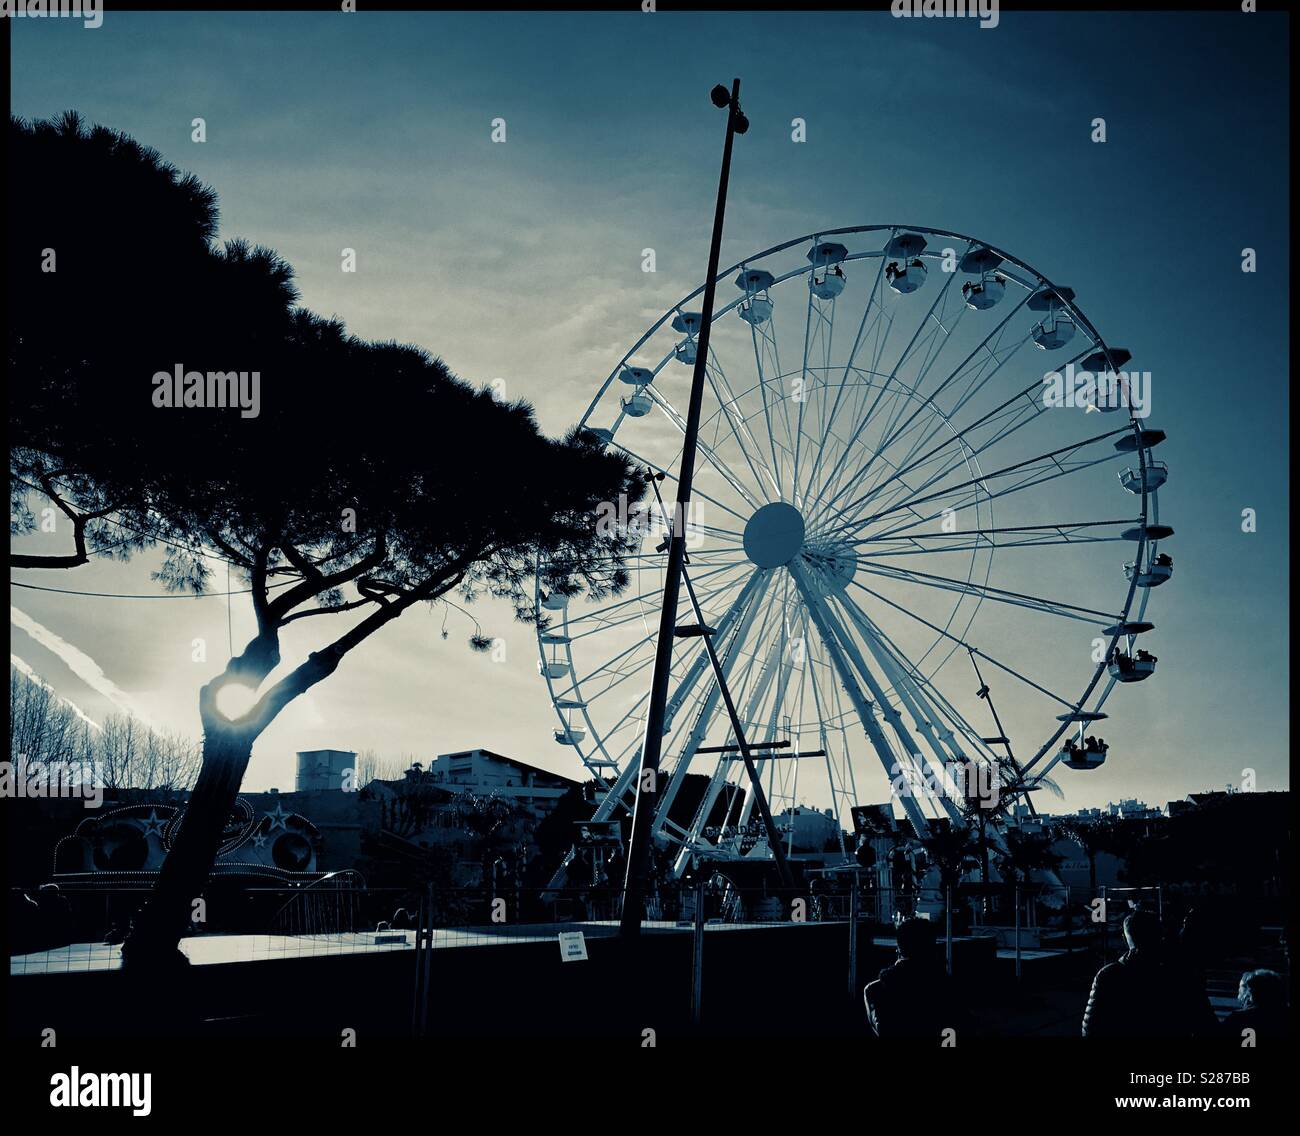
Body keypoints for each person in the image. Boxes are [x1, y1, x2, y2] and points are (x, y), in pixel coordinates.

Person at [1082, 911, 1217, 1038]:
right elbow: (1207, 1026)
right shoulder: (1179, 976)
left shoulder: (1108, 976)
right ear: (1160, 935)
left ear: (1124, 939)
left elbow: (1091, 1029)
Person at [864, 917, 973, 1040]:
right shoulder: (948, 985)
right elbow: (960, 1027)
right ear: (931, 947)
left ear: (899, 948)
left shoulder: (875, 989)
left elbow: (885, 1030)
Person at [1221, 970, 1289, 1043]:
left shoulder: (1237, 1018)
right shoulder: (1285, 1016)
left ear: (1249, 992)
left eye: (1240, 988)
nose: (1238, 992)